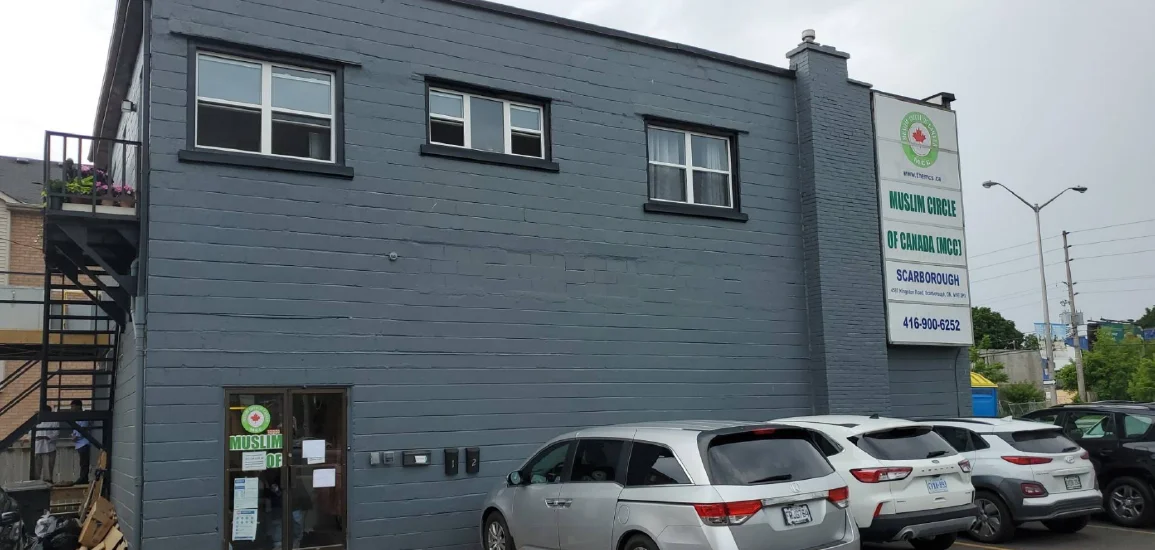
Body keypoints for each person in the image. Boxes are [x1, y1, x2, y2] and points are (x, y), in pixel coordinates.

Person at [33, 405, 59, 483]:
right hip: (38, 448)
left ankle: (48, 483)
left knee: (48, 470)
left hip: (49, 448)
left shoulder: (54, 421)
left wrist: (47, 437)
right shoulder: (37, 421)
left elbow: (56, 433)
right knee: (36, 470)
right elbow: (31, 433)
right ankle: (36, 483)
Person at [70, 400, 90, 485]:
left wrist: (76, 436)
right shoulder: (77, 417)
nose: (71, 408)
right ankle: (82, 478)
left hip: (83, 443)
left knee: (84, 462)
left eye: (73, 406)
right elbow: (75, 429)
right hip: (79, 443)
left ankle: (83, 479)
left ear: (78, 406)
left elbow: (83, 429)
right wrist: (73, 435)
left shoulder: (83, 416)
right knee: (82, 462)